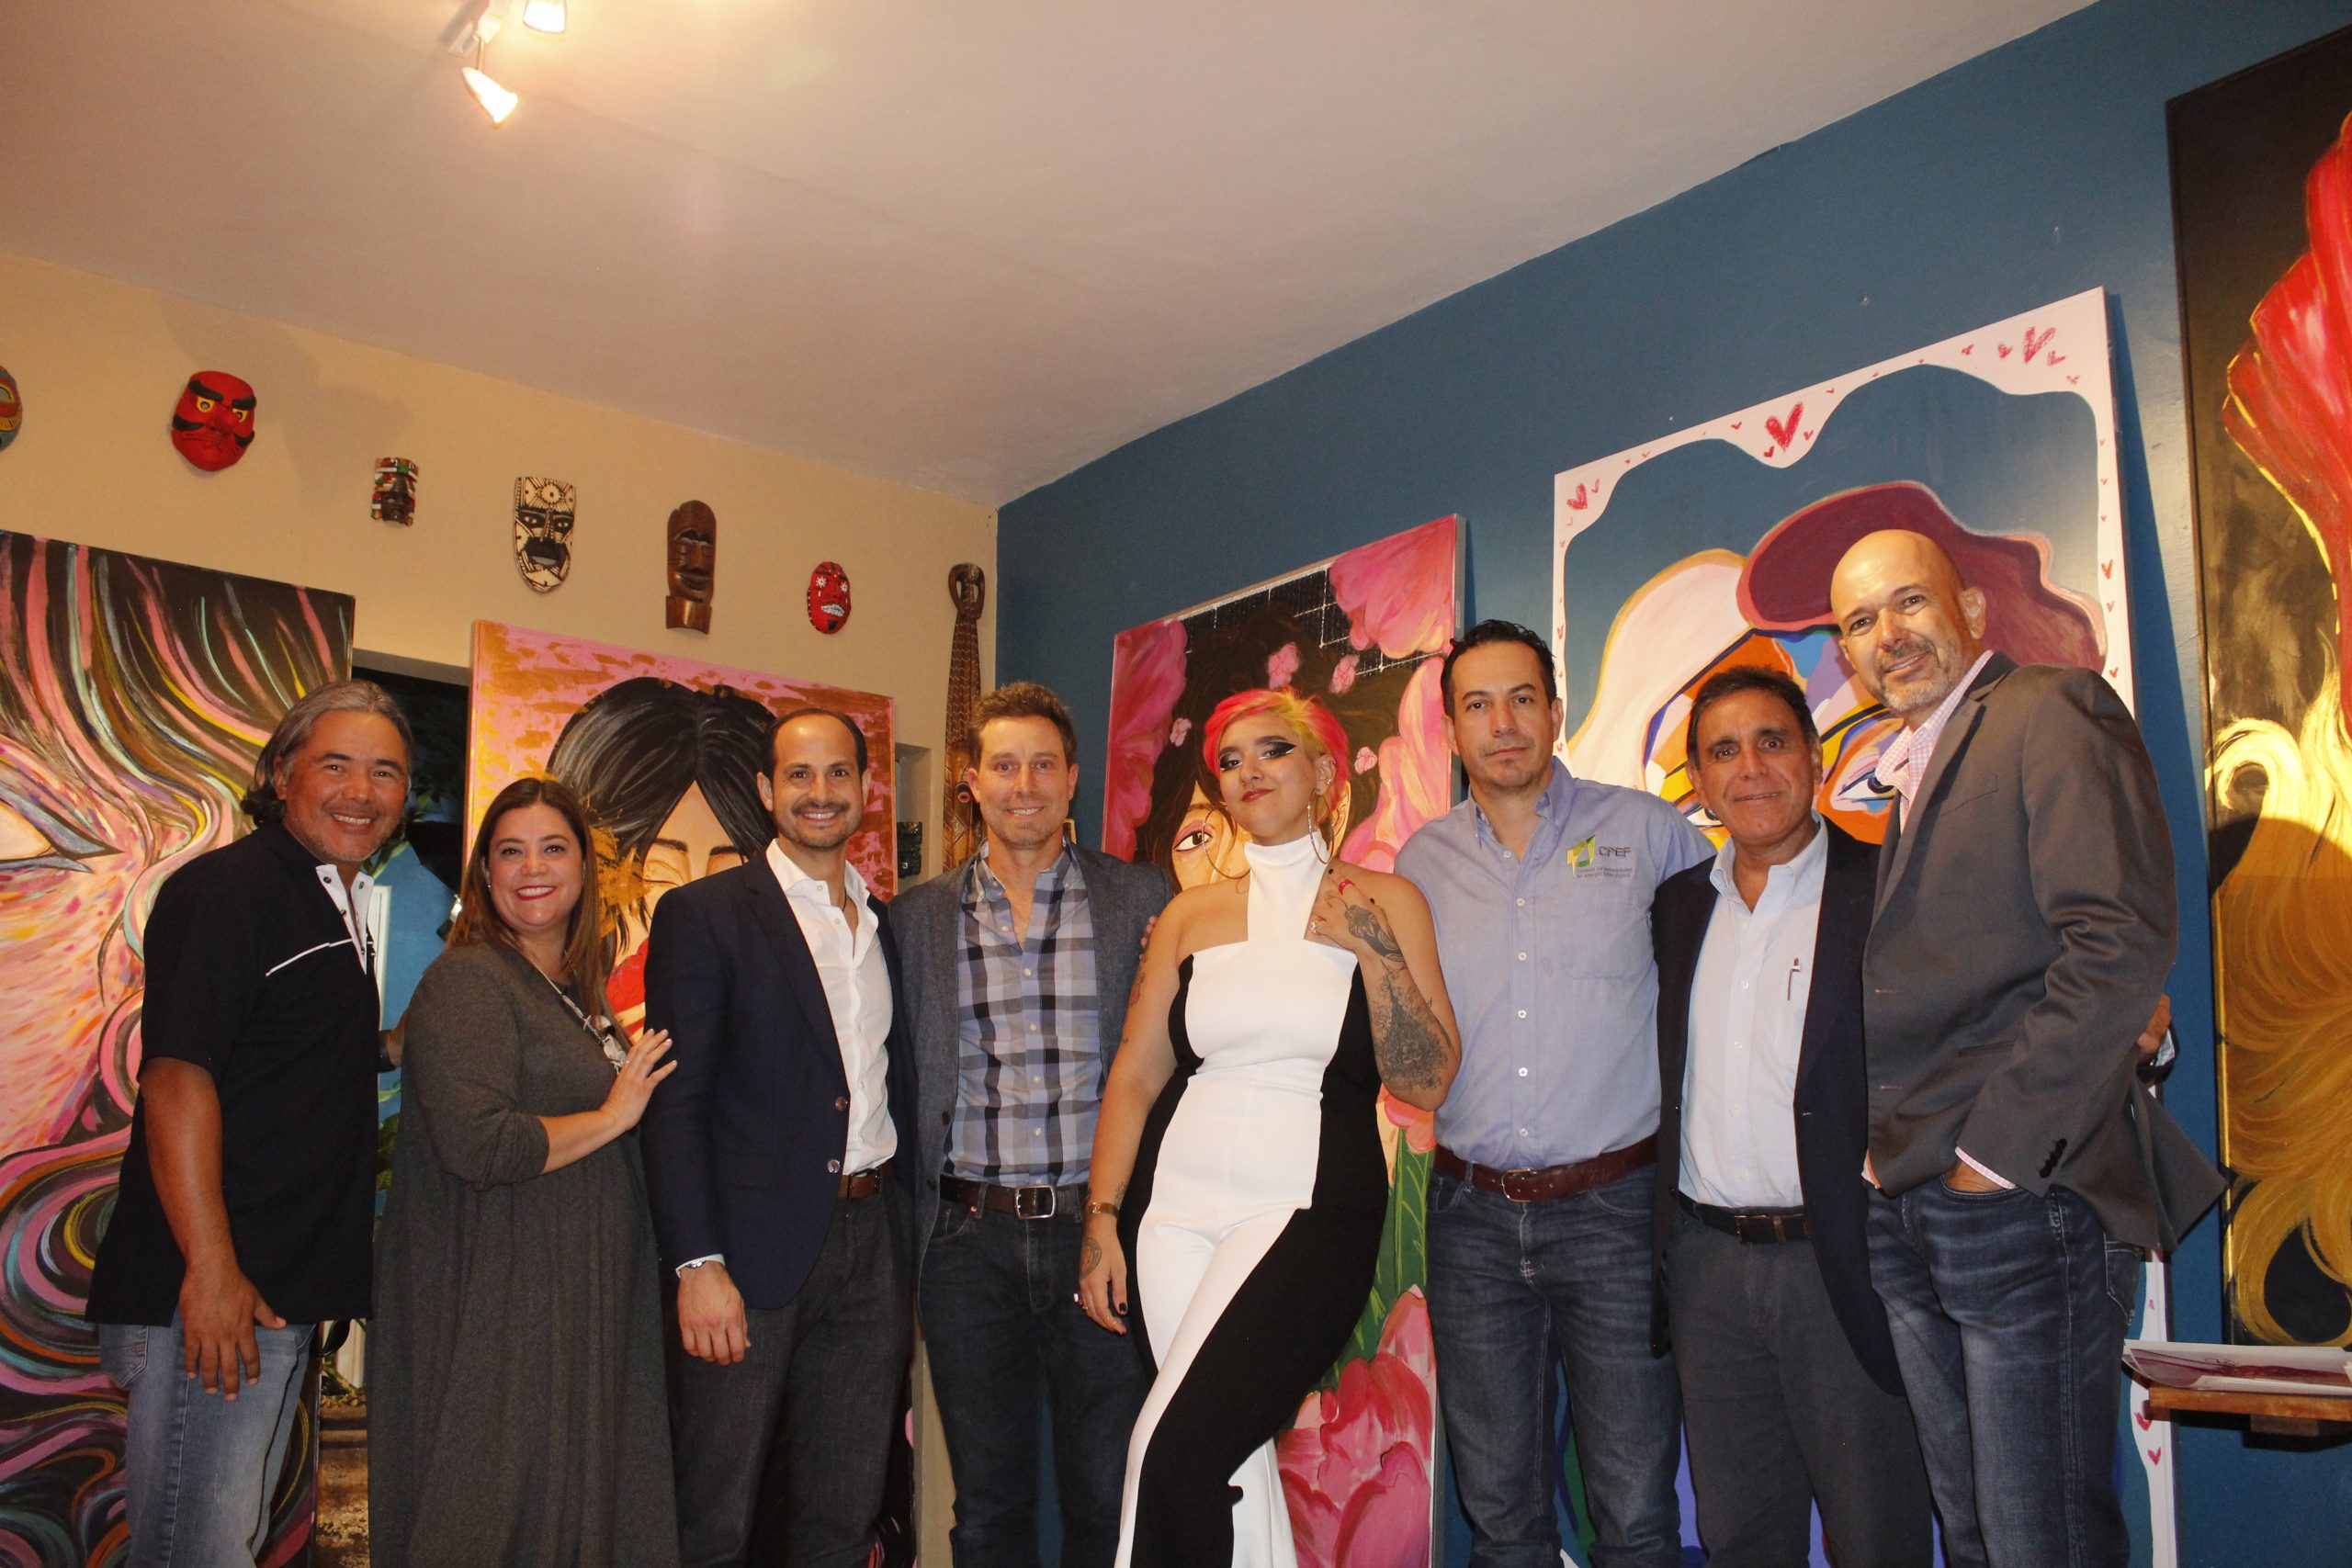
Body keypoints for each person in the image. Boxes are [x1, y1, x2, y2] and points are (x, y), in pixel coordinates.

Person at [1826, 528, 2223, 1568]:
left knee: (2037, 1537)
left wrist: (1992, 1161)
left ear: (1970, 610)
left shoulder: (2050, 708)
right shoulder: (1916, 765)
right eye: (1860, 621)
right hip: (1911, 1200)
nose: (1887, 634)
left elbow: (2116, 940)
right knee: (1973, 1536)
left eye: (1909, 602)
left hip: (2015, 1200)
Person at [1080, 687, 1459, 1567]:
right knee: (1231, 1465)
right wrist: (1101, 1218)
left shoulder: (1388, 899)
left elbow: (1427, 1079)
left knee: (1171, 1452)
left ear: (1324, 773)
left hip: (1307, 1210)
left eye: (1271, 750)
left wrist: (1370, 945)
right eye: (1230, 760)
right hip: (1171, 1218)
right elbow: (1135, 1074)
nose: (1247, 770)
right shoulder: (1188, 915)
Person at [1393, 618, 1709, 1568]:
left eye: (1521, 698)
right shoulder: (1419, 864)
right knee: (1502, 1519)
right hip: (1471, 1220)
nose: (1502, 724)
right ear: (1452, 730)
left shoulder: (1649, 834)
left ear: (1555, 710)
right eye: (1477, 705)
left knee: (1635, 1514)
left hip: (1615, 1215)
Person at [85, 680, 411, 1567]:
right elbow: (178, 1076)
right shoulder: (229, 889)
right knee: (198, 1549)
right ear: (281, 773)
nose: (362, 790)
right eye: (336, 764)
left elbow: (276, 1055)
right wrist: (212, 1269)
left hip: (271, 1290)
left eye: (385, 771)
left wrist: (394, 1044)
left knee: (225, 1541)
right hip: (215, 1297)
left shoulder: (327, 895)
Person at [1648, 668, 1931, 1568]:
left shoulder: (1885, 888)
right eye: (1723, 751)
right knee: (1739, 1537)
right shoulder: (1677, 908)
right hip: (1706, 1272)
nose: (1751, 768)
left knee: (1877, 1535)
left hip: (1842, 1265)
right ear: (1699, 783)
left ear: (1813, 756)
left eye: (1771, 741)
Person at [368, 775, 682, 1566]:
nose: (532, 868)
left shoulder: (577, 992)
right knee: (491, 1519)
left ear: (584, 866)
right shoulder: (469, 978)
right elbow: (481, 1144)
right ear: (485, 872)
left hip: (577, 1301)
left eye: (552, 848)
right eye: (510, 851)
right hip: (506, 1308)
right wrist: (613, 1115)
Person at [894, 682, 1168, 1566]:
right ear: (972, 782)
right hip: (967, 1246)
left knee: (1106, 1501)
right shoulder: (915, 918)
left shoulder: (1142, 900)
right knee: (988, 1512)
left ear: (1072, 777)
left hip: (1100, 1236)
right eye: (1004, 765)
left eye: (1043, 764)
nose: (1024, 784)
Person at [641, 707, 919, 1568]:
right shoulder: (705, 914)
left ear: (866, 789)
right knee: (714, 1517)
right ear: (766, 789)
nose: (819, 792)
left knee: (843, 1512)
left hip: (873, 1245)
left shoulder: (886, 925)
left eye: (838, 773)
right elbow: (675, 1104)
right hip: (748, 1256)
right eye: (799, 774)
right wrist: (697, 1263)